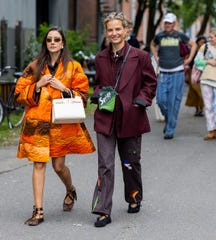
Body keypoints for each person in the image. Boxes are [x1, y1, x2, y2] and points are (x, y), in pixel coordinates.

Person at [14, 26, 96, 226]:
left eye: (56, 39)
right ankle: (38, 211)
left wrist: (65, 89)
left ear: (62, 43)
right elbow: (18, 94)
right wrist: (38, 85)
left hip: (61, 125)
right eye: (49, 39)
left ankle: (70, 189)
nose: (52, 42)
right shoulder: (34, 67)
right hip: (37, 124)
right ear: (45, 43)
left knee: (58, 167)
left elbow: (84, 95)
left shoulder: (73, 67)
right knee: (39, 164)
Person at [90, 12, 157, 227]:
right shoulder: (100, 57)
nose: (114, 33)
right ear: (106, 32)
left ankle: (134, 196)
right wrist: (99, 94)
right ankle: (103, 209)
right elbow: (98, 83)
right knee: (105, 164)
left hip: (131, 116)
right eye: (110, 30)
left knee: (130, 162)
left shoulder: (141, 56)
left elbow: (150, 83)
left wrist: (140, 101)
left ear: (126, 30)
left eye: (118, 29)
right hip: (106, 117)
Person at [150, 12, 197, 139]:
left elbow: (194, 45)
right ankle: (169, 119)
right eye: (166, 22)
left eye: (170, 23)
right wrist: (156, 56)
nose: (167, 25)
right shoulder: (159, 36)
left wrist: (190, 59)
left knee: (174, 102)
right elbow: (152, 45)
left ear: (174, 24)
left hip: (177, 72)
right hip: (163, 73)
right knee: (161, 100)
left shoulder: (179, 36)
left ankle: (170, 129)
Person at [185, 35, 206, 117]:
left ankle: (201, 109)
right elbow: (189, 63)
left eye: (204, 42)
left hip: (202, 72)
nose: (202, 44)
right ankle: (197, 109)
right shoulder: (193, 51)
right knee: (194, 91)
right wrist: (187, 74)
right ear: (197, 42)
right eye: (201, 42)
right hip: (192, 72)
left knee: (201, 91)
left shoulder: (206, 51)